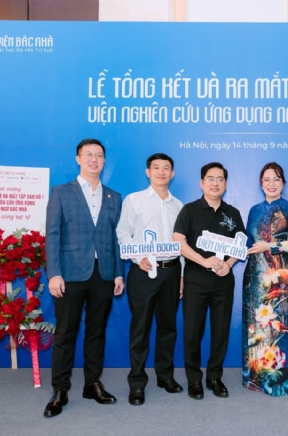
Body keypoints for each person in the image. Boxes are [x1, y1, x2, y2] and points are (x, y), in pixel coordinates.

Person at [44, 138, 124, 417]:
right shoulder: (61, 192)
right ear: (78, 158)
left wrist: (118, 273)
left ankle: (92, 384)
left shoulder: (114, 196)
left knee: (96, 332)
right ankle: (60, 390)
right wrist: (54, 273)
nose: (94, 159)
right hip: (70, 274)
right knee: (65, 332)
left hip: (104, 274)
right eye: (88, 154)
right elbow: (52, 234)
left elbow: (115, 238)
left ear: (104, 161)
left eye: (99, 155)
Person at [173, 162, 245, 400]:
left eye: (220, 179)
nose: (215, 183)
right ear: (202, 183)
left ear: (225, 183)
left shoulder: (232, 213)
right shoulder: (189, 210)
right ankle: (194, 379)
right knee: (192, 331)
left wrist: (229, 264)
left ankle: (214, 376)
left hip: (223, 280)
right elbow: (178, 241)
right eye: (211, 179)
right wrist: (203, 261)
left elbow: (240, 246)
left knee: (220, 330)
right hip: (196, 278)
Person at [116, 153, 184, 406]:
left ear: (172, 174)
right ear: (148, 172)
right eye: (156, 167)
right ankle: (136, 381)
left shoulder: (179, 206)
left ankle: (165, 376)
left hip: (172, 271)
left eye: (166, 168)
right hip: (143, 272)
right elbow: (123, 233)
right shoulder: (134, 200)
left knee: (168, 327)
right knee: (140, 328)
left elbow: (182, 244)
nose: (161, 172)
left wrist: (182, 275)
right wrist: (138, 257)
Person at [243, 162, 288, 396]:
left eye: (276, 179)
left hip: (281, 278)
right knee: (257, 327)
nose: (271, 184)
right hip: (255, 276)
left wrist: (271, 246)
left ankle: (282, 383)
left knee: (280, 326)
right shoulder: (253, 210)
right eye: (267, 179)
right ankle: (257, 379)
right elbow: (247, 243)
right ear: (261, 183)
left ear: (283, 183)